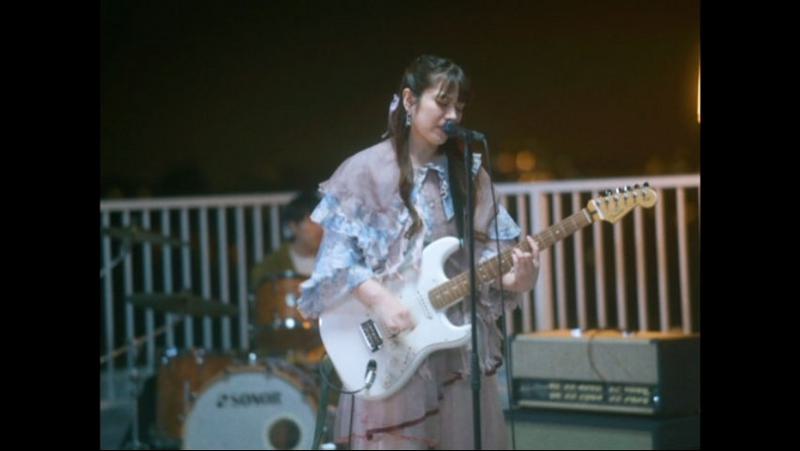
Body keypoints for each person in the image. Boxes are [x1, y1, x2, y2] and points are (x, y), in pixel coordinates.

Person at [298, 54, 540, 450]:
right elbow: (337, 261)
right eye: (442, 102)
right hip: (392, 341)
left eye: (459, 105)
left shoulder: (468, 172)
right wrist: (380, 299)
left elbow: (490, 251)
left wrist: (517, 277)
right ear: (410, 101)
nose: (452, 114)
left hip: (455, 346)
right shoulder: (366, 170)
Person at [249, 190, 325, 360]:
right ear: (293, 226)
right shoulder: (272, 266)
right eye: (311, 221)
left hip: (328, 344)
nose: (319, 228)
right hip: (284, 349)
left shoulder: (334, 261)